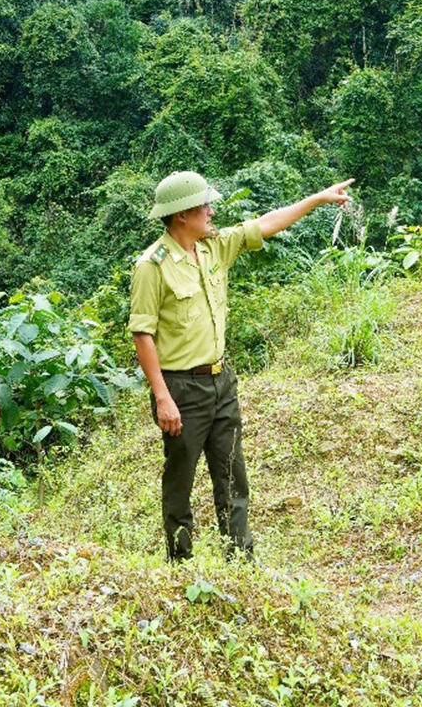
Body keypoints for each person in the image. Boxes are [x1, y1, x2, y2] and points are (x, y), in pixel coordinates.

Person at [129, 171, 353, 561]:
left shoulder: (215, 247)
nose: (212, 211)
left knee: (233, 474)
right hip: (181, 389)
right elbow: (142, 334)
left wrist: (316, 199)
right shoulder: (153, 266)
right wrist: (163, 398)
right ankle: (180, 562)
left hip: (221, 382)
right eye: (205, 205)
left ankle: (241, 559)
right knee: (180, 482)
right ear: (182, 214)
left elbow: (266, 224)